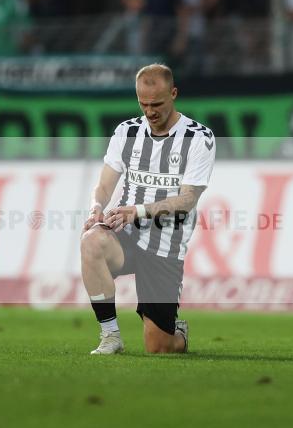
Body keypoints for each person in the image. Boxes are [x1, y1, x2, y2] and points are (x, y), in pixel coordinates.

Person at [80, 63, 215, 355]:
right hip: (126, 236)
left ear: (174, 94)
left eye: (157, 104)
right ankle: (110, 336)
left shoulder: (198, 137)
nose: (150, 111)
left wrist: (138, 211)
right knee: (91, 241)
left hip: (165, 247)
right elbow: (104, 185)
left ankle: (177, 333)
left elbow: (188, 199)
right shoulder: (126, 132)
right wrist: (96, 208)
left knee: (159, 347)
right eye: (144, 104)